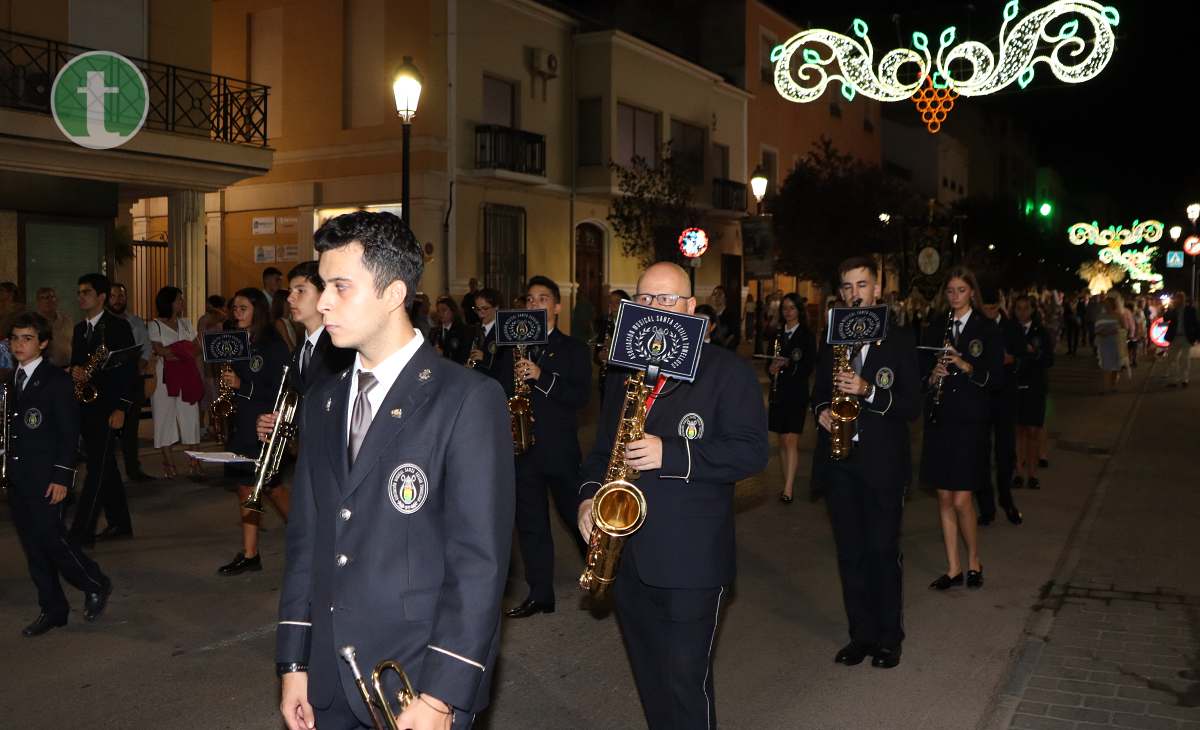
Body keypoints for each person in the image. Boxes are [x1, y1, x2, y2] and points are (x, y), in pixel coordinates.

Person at [277, 211, 514, 729]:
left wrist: (441, 696)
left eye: (341, 286)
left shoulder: (466, 399)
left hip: (413, 680)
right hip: (327, 681)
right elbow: (307, 540)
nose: (322, 302)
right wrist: (294, 661)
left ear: (393, 293)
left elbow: (479, 563)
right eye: (323, 286)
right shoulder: (321, 400)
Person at [575, 262, 768, 729]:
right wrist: (586, 499)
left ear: (690, 308)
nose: (655, 309)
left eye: (666, 300)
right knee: (651, 679)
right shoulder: (624, 375)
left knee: (685, 682)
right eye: (646, 300)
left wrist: (673, 454)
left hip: (692, 563)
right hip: (628, 559)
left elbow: (751, 453)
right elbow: (602, 452)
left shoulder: (727, 371)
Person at [810, 257, 919, 670]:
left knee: (882, 551)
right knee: (850, 554)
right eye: (847, 286)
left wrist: (868, 389)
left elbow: (910, 406)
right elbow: (818, 391)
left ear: (878, 289)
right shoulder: (834, 339)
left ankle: (890, 638)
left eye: (862, 285)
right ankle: (861, 635)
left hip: (883, 466)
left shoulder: (900, 339)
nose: (855, 294)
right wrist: (821, 410)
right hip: (840, 463)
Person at [5, 312, 113, 636]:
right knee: (33, 546)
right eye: (14, 338)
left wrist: (62, 477)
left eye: (27, 338)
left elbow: (69, 435)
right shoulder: (12, 379)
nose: (19, 344)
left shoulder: (56, 381)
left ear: (43, 343)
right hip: (19, 476)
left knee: (52, 540)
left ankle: (94, 582)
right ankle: (53, 609)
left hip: (47, 476)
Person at [497, 276, 591, 619]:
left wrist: (542, 376)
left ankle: (602, 576)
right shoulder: (511, 347)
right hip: (521, 449)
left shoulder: (573, 349)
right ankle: (540, 594)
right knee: (531, 525)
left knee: (576, 516)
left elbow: (580, 396)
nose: (535, 304)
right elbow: (497, 390)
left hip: (559, 450)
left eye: (543, 298)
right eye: (530, 299)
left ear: (557, 306)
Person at [920, 266, 1002, 592]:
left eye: (961, 291)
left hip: (970, 422)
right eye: (951, 291)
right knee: (943, 497)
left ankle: (974, 560)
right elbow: (919, 372)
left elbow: (996, 378)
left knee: (961, 500)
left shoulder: (986, 329)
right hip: (941, 420)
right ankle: (953, 568)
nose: (955, 297)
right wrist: (933, 375)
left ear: (972, 293)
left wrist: (967, 365)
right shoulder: (936, 327)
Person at [215, 288, 290, 576]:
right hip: (243, 422)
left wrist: (241, 386)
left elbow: (280, 390)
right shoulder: (237, 341)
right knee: (245, 487)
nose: (237, 313)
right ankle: (250, 554)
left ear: (257, 310)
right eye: (234, 308)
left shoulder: (273, 344)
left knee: (271, 486)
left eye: (243, 308)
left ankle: (306, 538)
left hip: (266, 425)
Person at [67, 274, 138, 547]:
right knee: (105, 465)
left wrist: (122, 407)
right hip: (85, 406)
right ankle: (121, 523)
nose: (80, 296)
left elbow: (128, 371)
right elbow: (77, 363)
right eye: (79, 292)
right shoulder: (78, 329)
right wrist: (75, 371)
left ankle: (81, 532)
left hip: (109, 407)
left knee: (96, 469)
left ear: (101, 297)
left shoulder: (117, 327)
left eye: (86, 292)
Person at [976, 288, 1024, 526]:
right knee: (981, 453)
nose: (990, 311)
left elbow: (1023, 354)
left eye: (994, 307)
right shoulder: (976, 327)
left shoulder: (1011, 327)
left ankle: (1006, 499)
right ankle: (986, 506)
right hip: (982, 397)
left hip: (1005, 396)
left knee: (1005, 453)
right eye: (986, 306)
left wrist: (1012, 359)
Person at [148, 286, 202, 479]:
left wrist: (177, 350)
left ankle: (194, 460)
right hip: (165, 376)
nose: (182, 302)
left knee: (191, 414)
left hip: (187, 373)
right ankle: (168, 463)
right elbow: (161, 350)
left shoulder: (186, 323)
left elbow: (196, 347)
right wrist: (183, 350)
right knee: (164, 416)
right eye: (179, 299)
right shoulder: (155, 325)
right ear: (168, 302)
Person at [768, 293, 815, 504]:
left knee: (791, 439)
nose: (788, 312)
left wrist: (788, 365)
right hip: (778, 392)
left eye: (792, 308)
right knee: (781, 439)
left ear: (799, 311)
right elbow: (770, 361)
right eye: (785, 308)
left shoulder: (806, 335)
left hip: (796, 393)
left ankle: (788, 488)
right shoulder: (778, 334)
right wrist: (772, 368)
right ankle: (787, 480)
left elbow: (808, 366)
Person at [108, 283, 153, 482]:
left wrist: (137, 367)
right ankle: (107, 473)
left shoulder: (135, 321)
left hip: (132, 381)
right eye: (114, 295)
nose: (118, 299)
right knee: (107, 430)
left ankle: (134, 469)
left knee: (131, 428)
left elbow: (146, 348)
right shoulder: (102, 323)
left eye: (121, 295)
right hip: (108, 383)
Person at [1011, 295, 1053, 491]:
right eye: (1018, 308)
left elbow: (1049, 360)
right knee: (1018, 431)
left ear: (1032, 310)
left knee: (1033, 432)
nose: (1022, 312)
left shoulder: (1041, 332)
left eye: (1025, 308)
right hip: (1014, 387)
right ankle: (1019, 472)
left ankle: (1033, 474)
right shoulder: (1009, 330)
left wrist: (1033, 352)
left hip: (1035, 387)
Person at [197, 295, 227, 439]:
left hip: (216, 358)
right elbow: (201, 339)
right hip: (205, 359)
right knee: (205, 392)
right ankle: (202, 426)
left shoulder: (218, 319)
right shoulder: (205, 319)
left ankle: (212, 426)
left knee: (215, 392)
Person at [1164, 292, 1197, 388]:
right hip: (1175, 337)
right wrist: (1169, 309)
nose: (1178, 300)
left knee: (1185, 359)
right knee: (1171, 358)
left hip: (1186, 337)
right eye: (1177, 298)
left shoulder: (1190, 310)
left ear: (1183, 300)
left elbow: (1195, 323)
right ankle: (1174, 379)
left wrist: (1195, 337)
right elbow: (1165, 318)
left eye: (1180, 298)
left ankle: (1184, 379)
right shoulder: (1173, 310)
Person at [34, 287, 74, 367]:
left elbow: (73, 342)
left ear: (57, 300)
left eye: (51, 297)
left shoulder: (67, 320)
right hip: (43, 369)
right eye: (43, 298)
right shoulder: (33, 322)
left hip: (67, 367)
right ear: (38, 302)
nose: (48, 301)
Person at [467, 287, 501, 378]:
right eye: (477, 309)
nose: (480, 314)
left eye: (485, 308)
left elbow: (507, 366)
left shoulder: (502, 333)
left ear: (496, 308)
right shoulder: (474, 330)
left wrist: (486, 358)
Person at [1094, 297, 1123, 393]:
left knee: (1115, 365)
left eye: (1108, 304)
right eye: (1105, 304)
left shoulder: (1118, 315)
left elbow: (1124, 328)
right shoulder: (1100, 316)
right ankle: (1105, 386)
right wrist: (1105, 332)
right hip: (1104, 343)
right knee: (1105, 365)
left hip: (1116, 343)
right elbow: (1097, 330)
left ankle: (1113, 386)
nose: (1107, 306)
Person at [430, 296, 471, 365]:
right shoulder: (434, 332)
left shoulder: (463, 331)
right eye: (438, 311)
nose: (441, 314)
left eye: (444, 310)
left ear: (453, 311)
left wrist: (444, 354)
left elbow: (464, 356)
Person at [708, 285, 741, 350]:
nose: (717, 297)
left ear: (725, 298)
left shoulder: (731, 315)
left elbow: (734, 334)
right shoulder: (709, 314)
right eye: (714, 294)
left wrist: (724, 346)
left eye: (720, 294)